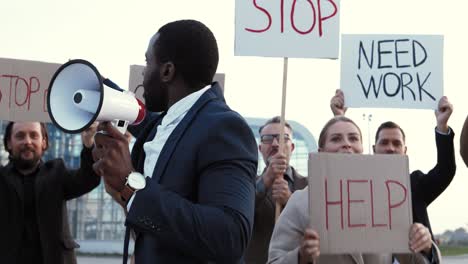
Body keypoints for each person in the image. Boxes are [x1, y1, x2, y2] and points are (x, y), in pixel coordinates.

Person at [91, 19, 258, 263]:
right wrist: (102, 86)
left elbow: (229, 235)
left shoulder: (225, 128)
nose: (143, 74)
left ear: (167, 71)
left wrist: (130, 184)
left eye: (148, 62)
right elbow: (144, 120)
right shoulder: (169, 122)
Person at [268, 116, 439, 264]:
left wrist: (426, 246)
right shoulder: (301, 201)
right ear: (321, 152)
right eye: (336, 139)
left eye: (353, 138)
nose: (347, 145)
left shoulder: (385, 198)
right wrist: (301, 256)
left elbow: (412, 260)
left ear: (362, 149)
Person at [330, 89, 456, 238]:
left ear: (405, 151)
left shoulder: (416, 185)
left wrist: (442, 124)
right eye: (384, 143)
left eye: (396, 143)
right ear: (374, 149)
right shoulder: (357, 187)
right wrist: (339, 118)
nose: (390, 148)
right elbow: (341, 167)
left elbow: (445, 170)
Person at [0, 121, 100, 264]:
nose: (27, 141)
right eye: (20, 136)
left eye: (34, 136)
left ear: (44, 142)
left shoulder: (57, 173)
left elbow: (88, 179)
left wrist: (89, 144)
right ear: (9, 143)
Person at [245, 116, 308, 263]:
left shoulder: (308, 185)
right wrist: (266, 180)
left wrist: (291, 200)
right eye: (267, 139)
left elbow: (318, 224)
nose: (274, 144)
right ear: (260, 149)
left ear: (291, 147)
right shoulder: (245, 185)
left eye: (282, 138)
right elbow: (240, 212)